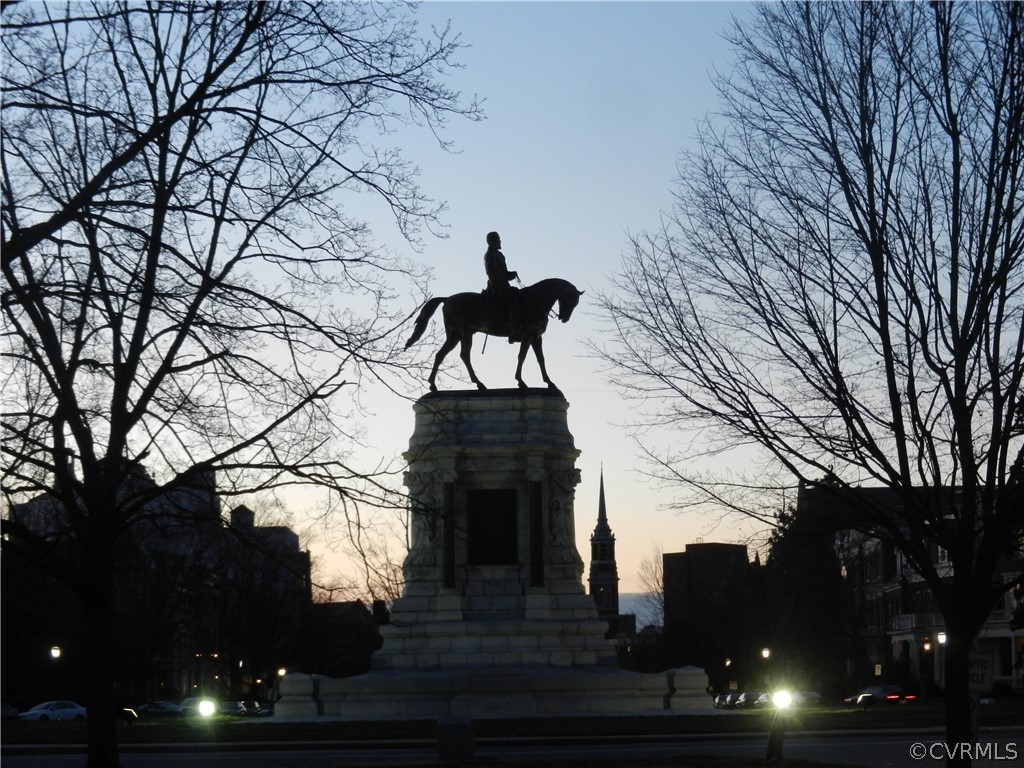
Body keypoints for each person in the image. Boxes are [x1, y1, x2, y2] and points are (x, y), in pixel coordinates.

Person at [482, 231, 522, 342]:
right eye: (497, 239)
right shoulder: (489, 255)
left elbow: (503, 273)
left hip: (503, 285)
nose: (500, 241)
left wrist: (511, 275)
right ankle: (514, 331)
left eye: (499, 239)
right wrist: (502, 285)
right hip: (496, 287)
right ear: (492, 242)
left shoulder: (499, 255)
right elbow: (492, 274)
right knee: (513, 301)